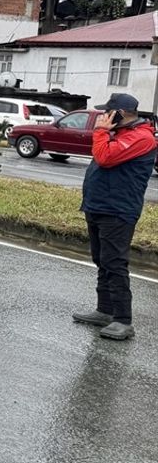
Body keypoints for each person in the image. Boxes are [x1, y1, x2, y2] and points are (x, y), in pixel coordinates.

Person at [74, 93, 156, 341]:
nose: (102, 116)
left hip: (118, 210)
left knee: (114, 263)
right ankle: (105, 310)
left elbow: (105, 158)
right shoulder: (118, 135)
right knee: (101, 259)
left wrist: (100, 133)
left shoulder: (141, 138)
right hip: (98, 206)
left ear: (120, 113)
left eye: (107, 112)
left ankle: (123, 320)